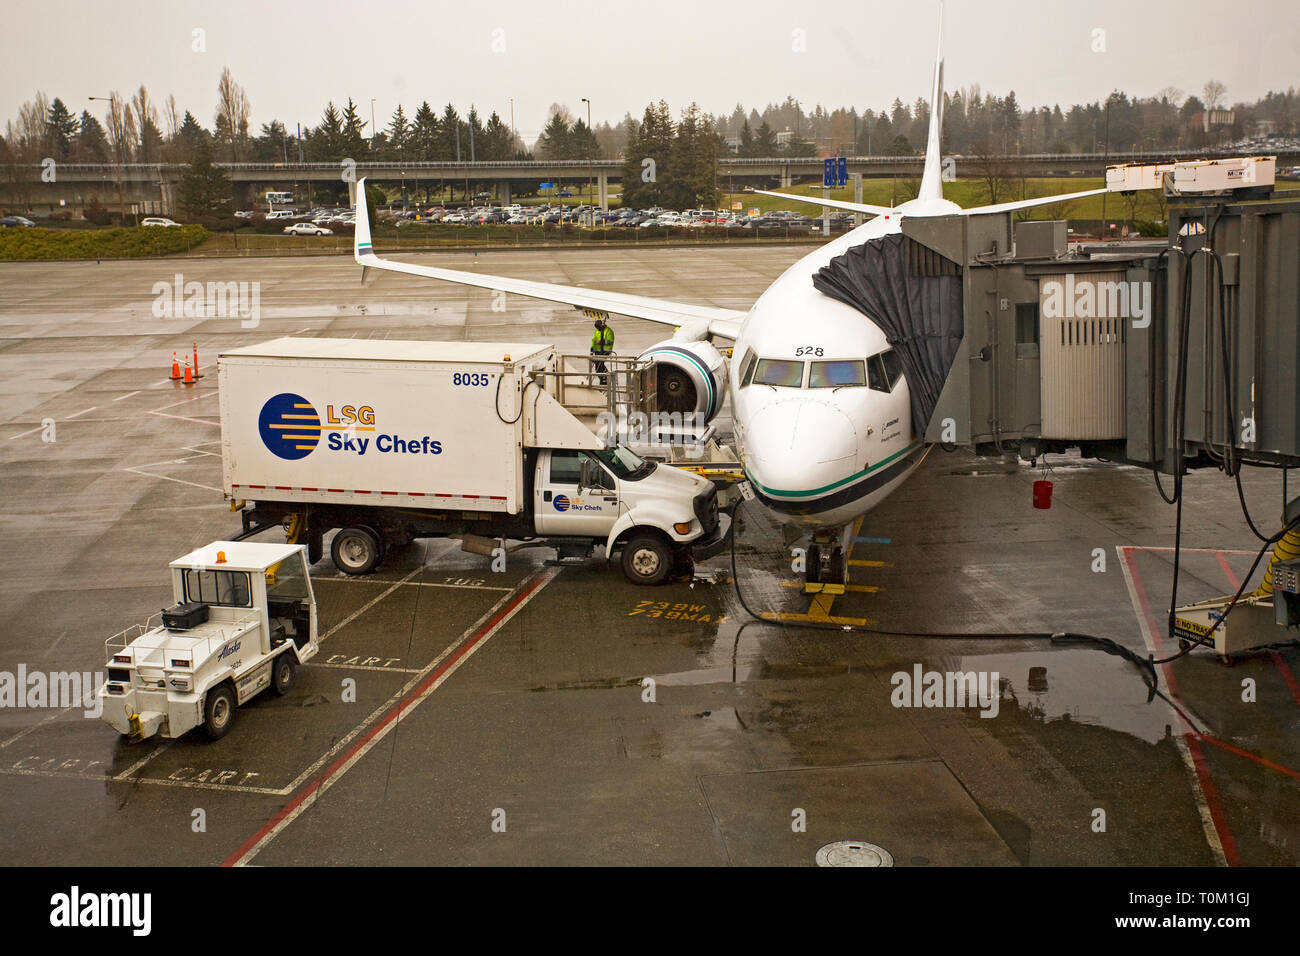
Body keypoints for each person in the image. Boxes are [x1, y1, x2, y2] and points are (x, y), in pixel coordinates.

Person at [590, 317, 615, 385]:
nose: (597, 329)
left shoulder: (609, 331)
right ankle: (604, 377)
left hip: (605, 351)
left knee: (600, 364)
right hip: (598, 351)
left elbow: (610, 341)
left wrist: (601, 342)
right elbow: (594, 340)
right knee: (597, 366)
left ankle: (604, 379)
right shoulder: (597, 331)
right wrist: (592, 350)